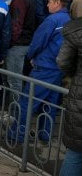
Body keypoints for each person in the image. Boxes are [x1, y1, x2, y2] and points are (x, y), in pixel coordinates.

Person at [8, 0, 71, 143]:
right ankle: (45, 135)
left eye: (50, 1)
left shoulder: (52, 20)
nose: (47, 4)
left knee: (27, 103)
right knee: (50, 104)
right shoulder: (69, 20)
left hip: (44, 67)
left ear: (57, 3)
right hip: (58, 68)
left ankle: (17, 135)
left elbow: (38, 42)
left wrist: (31, 56)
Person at [56, 16, 82, 176]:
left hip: (79, 98)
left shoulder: (77, 29)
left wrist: (77, 77)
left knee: (75, 153)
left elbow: (63, 61)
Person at [5, 0, 37, 97]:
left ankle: (15, 113)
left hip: (18, 45)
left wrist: (10, 42)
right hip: (24, 41)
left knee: (14, 80)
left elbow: (16, 25)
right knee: (16, 79)